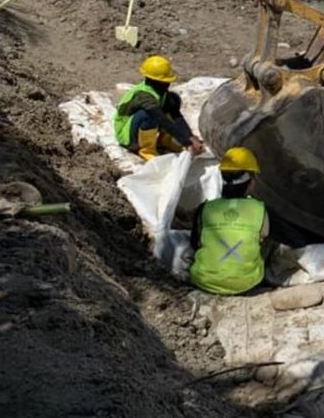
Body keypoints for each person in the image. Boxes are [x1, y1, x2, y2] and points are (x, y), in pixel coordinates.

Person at [188, 147, 270, 295]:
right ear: (251, 181)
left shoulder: (205, 209)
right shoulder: (260, 210)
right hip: (248, 283)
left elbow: (195, 243)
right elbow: (265, 238)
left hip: (204, 281)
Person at [113, 55, 205, 161]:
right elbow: (162, 119)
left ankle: (164, 141)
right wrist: (186, 142)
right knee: (148, 115)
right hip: (128, 136)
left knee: (173, 101)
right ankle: (146, 150)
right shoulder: (143, 95)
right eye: (165, 81)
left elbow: (176, 116)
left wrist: (189, 136)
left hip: (142, 127)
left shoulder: (162, 93)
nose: (168, 83)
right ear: (154, 80)